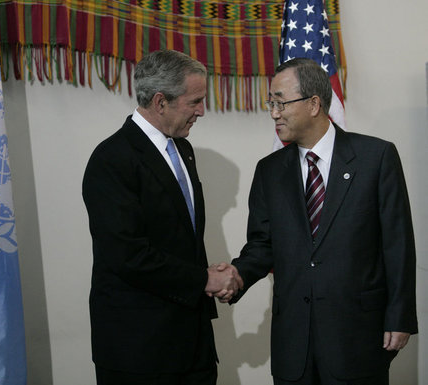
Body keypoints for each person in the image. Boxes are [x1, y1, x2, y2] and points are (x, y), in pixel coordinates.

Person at [216, 58, 418, 384]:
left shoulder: (376, 158)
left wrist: (400, 316)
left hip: (358, 338)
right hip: (294, 343)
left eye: (281, 102)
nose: (273, 112)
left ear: (313, 104)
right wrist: (237, 275)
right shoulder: (269, 171)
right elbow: (262, 245)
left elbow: (398, 244)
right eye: (271, 103)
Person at [82, 49, 242, 385]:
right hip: (140, 351)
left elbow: (178, 238)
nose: (202, 111)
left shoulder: (182, 148)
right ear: (160, 102)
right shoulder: (111, 159)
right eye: (194, 101)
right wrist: (204, 280)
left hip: (191, 344)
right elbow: (128, 256)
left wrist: (208, 273)